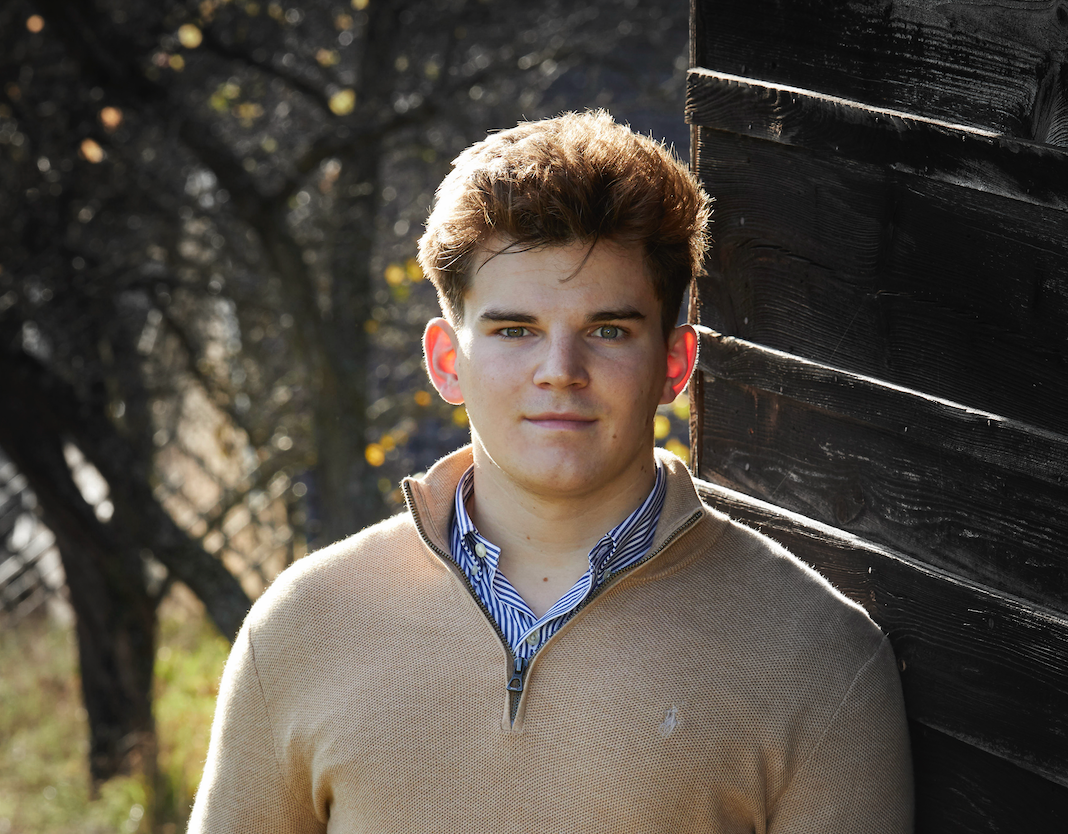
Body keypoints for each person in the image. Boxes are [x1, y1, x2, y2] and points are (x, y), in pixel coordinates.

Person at [188, 110, 913, 833]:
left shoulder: (819, 662)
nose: (560, 371)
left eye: (608, 330)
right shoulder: (302, 627)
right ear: (447, 361)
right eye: (515, 330)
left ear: (674, 364)